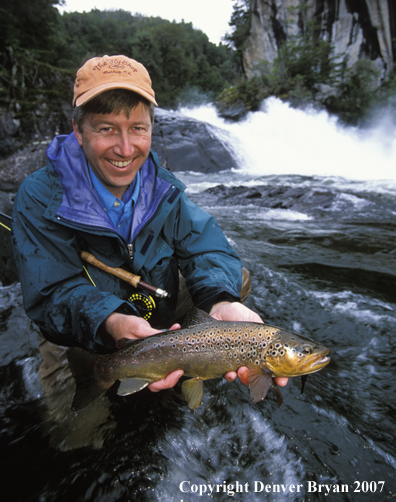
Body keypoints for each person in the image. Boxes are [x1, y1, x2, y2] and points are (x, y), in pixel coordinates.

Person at [12, 54, 288, 400]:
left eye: (137, 128)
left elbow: (208, 247)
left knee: (234, 280)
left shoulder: (163, 187)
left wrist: (220, 302)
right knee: (77, 437)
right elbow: (50, 293)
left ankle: (176, 364)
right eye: (106, 128)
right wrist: (110, 321)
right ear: (78, 132)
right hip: (82, 326)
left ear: (152, 130)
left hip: (154, 310)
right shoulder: (39, 197)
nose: (125, 149)